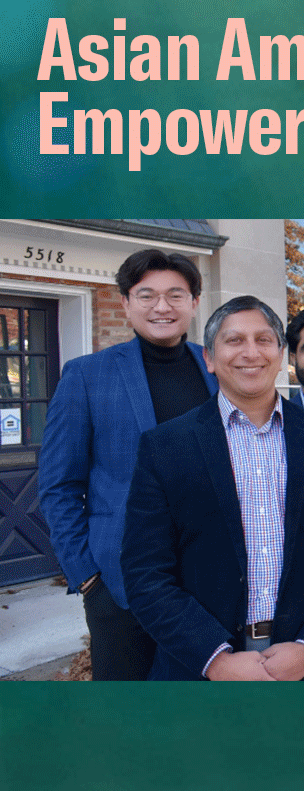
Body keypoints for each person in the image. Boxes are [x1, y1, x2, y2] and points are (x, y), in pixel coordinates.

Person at [121, 296, 304, 681]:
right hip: (201, 668)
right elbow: (146, 571)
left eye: (263, 339)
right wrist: (215, 659)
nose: (250, 352)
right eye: (234, 340)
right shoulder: (165, 447)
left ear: (281, 355)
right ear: (209, 358)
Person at [38, 249, 217, 680]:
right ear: (126, 303)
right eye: (146, 295)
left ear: (194, 303)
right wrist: (86, 576)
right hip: (119, 586)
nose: (162, 307)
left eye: (176, 295)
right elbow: (59, 485)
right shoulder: (86, 375)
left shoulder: (218, 369)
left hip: (211, 579)